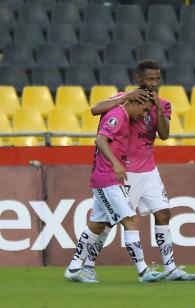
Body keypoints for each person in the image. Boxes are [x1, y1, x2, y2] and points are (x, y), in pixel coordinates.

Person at [86, 60, 195, 282]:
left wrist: (157, 107)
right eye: (149, 79)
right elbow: (95, 110)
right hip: (124, 171)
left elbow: (165, 135)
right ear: (139, 79)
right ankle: (87, 266)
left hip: (148, 170)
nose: (154, 83)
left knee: (164, 212)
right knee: (106, 222)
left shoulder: (163, 104)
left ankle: (170, 268)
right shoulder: (124, 97)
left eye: (157, 79)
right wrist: (126, 97)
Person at [64, 93, 164, 283]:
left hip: (106, 178)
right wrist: (116, 164)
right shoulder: (118, 115)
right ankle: (143, 272)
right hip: (107, 178)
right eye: (144, 110)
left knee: (97, 225)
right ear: (135, 102)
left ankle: (74, 268)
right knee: (131, 220)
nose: (144, 115)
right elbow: (100, 140)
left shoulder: (122, 115)